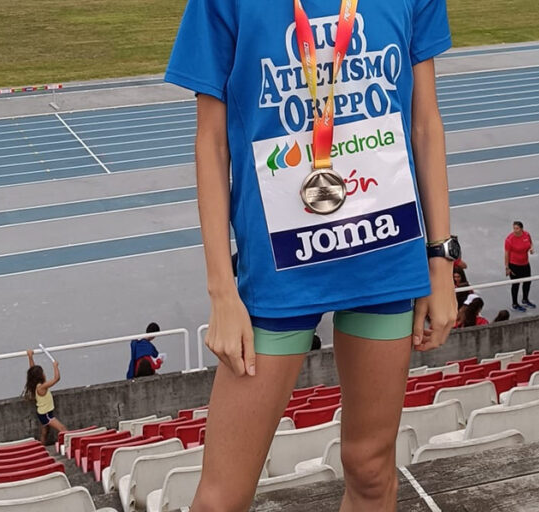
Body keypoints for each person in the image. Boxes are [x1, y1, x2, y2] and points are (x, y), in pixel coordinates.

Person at [165, 1, 455, 509]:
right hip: (280, 267)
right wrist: (221, 291)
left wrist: (441, 259)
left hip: (384, 255)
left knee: (371, 470)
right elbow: (210, 141)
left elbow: (425, 123)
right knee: (220, 498)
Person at [24, 349, 67, 445]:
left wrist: (30, 357)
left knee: (45, 432)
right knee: (63, 429)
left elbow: (32, 369)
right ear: (40, 376)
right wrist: (55, 366)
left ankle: (41, 447)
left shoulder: (35, 384)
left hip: (43, 413)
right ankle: (70, 445)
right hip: (46, 414)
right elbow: (56, 379)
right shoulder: (42, 387)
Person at [505, 221, 535, 312]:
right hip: (514, 265)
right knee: (516, 284)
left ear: (521, 229)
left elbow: (531, 243)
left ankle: (525, 299)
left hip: (525, 264)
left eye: (517, 228)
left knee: (527, 282)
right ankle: (515, 303)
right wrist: (507, 267)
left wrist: (531, 248)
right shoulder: (509, 239)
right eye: (514, 228)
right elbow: (506, 254)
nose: (515, 230)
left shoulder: (526, 235)